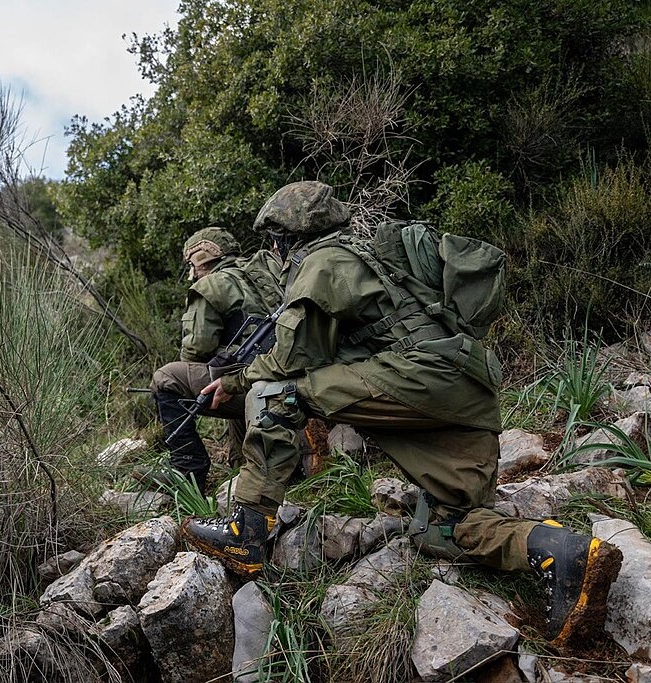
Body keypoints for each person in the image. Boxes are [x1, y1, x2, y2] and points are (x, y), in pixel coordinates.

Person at [181, 181, 623, 650]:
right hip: (467, 397)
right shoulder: (374, 255)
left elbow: (290, 360)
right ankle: (563, 552)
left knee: (274, 394)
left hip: (425, 381)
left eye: (275, 240)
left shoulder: (324, 263)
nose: (273, 249)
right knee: (446, 530)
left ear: (286, 238)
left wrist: (233, 383)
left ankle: (246, 531)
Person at [137, 226, 283, 495]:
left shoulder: (211, 285)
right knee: (231, 365)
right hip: (285, 379)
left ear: (204, 257)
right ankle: (243, 462)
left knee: (167, 379)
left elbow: (195, 352)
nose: (192, 273)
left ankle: (187, 470)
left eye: (192, 264)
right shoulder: (267, 271)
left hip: (256, 384)